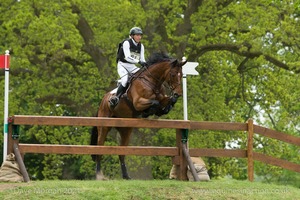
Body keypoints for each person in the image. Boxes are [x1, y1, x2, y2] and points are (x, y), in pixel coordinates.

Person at [109, 27, 147, 107]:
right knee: (125, 80)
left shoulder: (141, 46)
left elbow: (142, 59)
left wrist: (146, 65)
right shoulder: (127, 43)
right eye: (137, 35)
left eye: (140, 35)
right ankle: (116, 97)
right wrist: (139, 62)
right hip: (122, 65)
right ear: (132, 36)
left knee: (143, 76)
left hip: (132, 66)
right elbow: (127, 57)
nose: (139, 37)